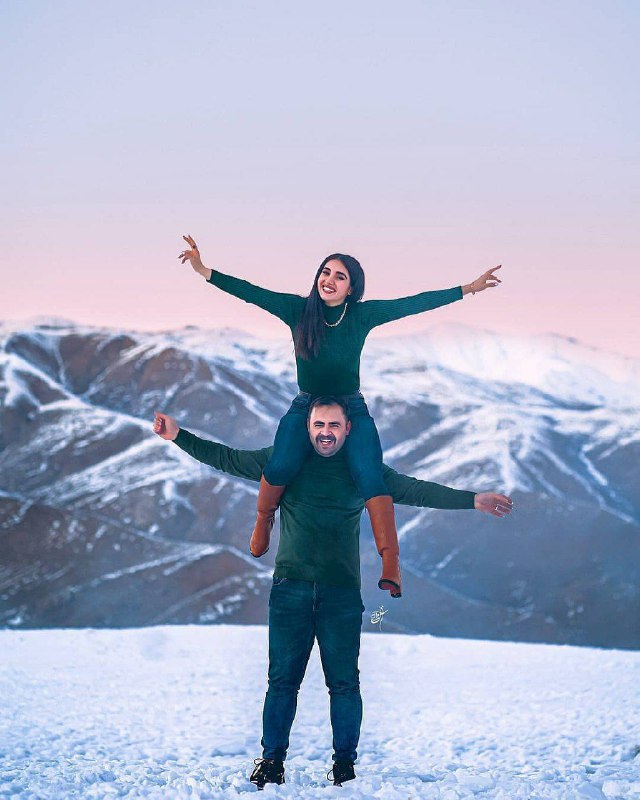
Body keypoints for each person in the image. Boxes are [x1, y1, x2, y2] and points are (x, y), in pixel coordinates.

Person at [153, 397, 513, 788]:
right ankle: (271, 762)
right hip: (290, 590)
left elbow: (416, 491)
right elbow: (226, 458)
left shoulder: (363, 469)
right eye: (319, 425)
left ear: (348, 428)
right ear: (307, 428)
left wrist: (472, 500)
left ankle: (344, 766)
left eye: (334, 425)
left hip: (341, 595)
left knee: (344, 684)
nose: (326, 432)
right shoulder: (284, 461)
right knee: (282, 682)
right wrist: (177, 435)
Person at [178, 236, 502, 600]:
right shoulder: (297, 310)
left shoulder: (361, 316)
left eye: (340, 276)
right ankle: (264, 519)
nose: (329, 279)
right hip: (307, 407)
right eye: (325, 272)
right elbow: (251, 292)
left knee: (369, 474)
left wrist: (468, 289)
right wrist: (203, 270)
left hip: (350, 407)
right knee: (280, 462)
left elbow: (412, 304)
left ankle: (390, 562)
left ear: (352, 289)